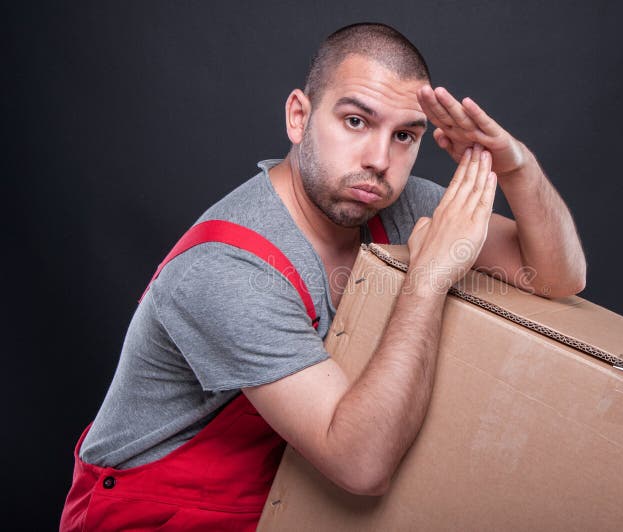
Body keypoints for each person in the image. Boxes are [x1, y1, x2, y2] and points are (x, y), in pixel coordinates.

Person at [60, 22, 586, 531]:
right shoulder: (226, 271)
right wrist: (427, 278)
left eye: (404, 135)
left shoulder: (395, 205)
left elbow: (557, 277)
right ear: (299, 116)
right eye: (356, 121)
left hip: (291, 499)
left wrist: (518, 168)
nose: (380, 160)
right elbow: (362, 465)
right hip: (160, 513)